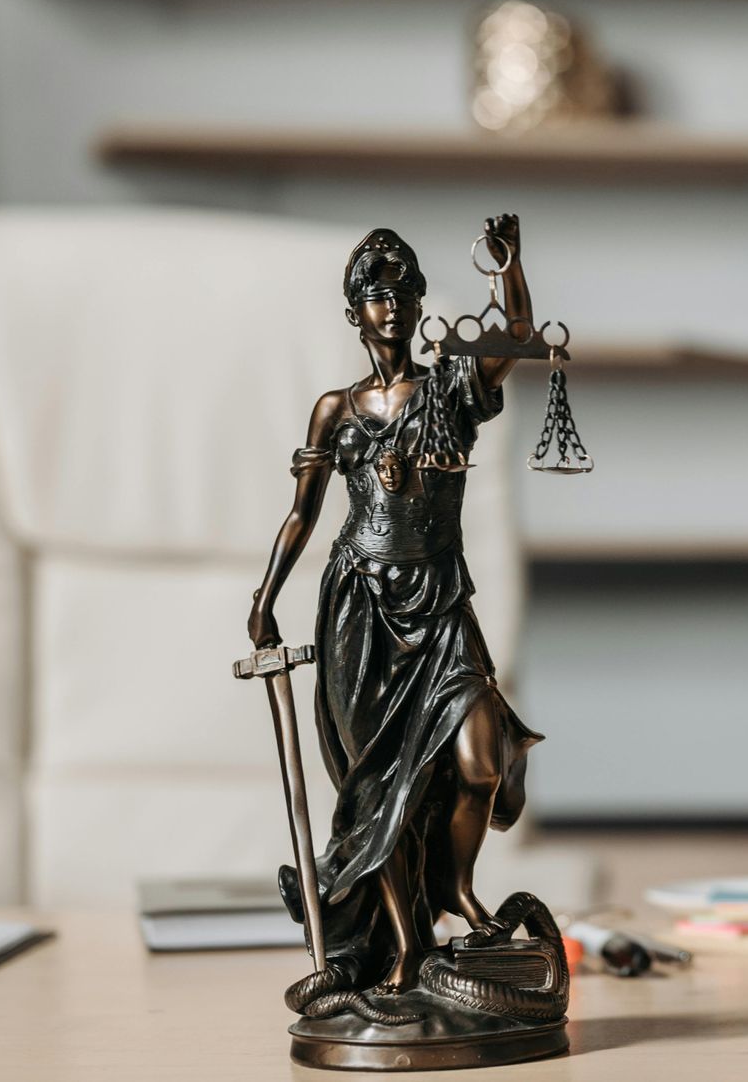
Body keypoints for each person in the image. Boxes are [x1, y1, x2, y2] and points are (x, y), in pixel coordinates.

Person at [246, 217, 541, 995]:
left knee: (480, 757)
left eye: (405, 293)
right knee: (381, 794)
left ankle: (458, 889)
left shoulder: (450, 390)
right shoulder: (334, 411)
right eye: (378, 296)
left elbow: (515, 332)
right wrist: (264, 600)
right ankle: (407, 949)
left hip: (440, 605)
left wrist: (507, 268)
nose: (394, 307)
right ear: (356, 313)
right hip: (359, 611)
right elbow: (302, 515)